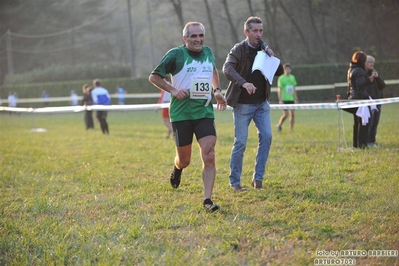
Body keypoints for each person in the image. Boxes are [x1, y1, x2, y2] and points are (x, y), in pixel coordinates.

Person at [149, 21, 227, 212]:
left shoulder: (208, 52)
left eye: (200, 35)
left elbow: (213, 70)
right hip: (181, 114)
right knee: (184, 160)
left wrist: (217, 90)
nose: (198, 39)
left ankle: (207, 200)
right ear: (185, 38)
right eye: (193, 36)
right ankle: (177, 168)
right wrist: (173, 90)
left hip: (204, 112)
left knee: (209, 155)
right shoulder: (176, 54)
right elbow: (154, 77)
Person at [223, 16, 283, 191]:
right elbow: (227, 69)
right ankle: (235, 182)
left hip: (261, 104)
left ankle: (258, 179)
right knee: (240, 142)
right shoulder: (238, 50)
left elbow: (278, 71)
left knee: (267, 136)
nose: (259, 34)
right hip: (242, 104)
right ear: (246, 32)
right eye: (255, 31)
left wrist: (272, 55)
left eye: (261, 30)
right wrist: (244, 83)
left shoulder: (264, 49)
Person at [345, 51, 373, 149]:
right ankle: (362, 145)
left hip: (353, 98)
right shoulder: (360, 71)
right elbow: (360, 85)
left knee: (357, 123)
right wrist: (368, 81)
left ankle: (356, 145)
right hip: (360, 100)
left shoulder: (351, 69)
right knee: (363, 122)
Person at [365, 56, 386, 148]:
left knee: (375, 123)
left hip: (378, 101)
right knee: (369, 122)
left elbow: (383, 85)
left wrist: (377, 78)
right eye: (370, 62)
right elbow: (364, 87)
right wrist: (369, 80)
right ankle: (367, 141)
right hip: (370, 102)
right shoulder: (364, 74)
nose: (372, 64)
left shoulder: (375, 72)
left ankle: (373, 141)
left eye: (373, 62)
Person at [276, 63, 298, 132]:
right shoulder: (281, 78)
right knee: (286, 114)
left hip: (291, 99)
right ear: (284, 70)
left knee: (292, 114)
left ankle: (291, 129)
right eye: (286, 69)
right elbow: (279, 89)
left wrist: (295, 97)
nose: (288, 70)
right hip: (284, 99)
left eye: (289, 69)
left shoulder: (292, 77)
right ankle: (279, 124)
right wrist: (280, 100)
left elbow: (294, 88)